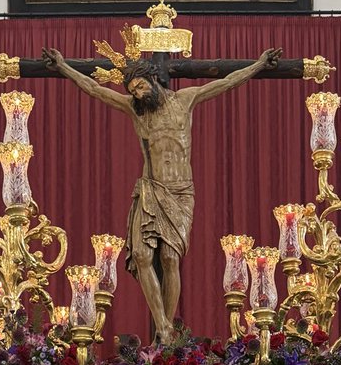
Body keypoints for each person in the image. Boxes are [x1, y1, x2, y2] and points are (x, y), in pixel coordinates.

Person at [42, 45, 281, 342]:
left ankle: (166, 331)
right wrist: (63, 66)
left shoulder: (185, 99)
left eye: (141, 86)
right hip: (152, 187)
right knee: (142, 255)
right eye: (133, 89)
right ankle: (164, 329)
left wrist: (258, 64)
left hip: (181, 192)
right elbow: (94, 89)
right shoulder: (135, 108)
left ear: (153, 79)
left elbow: (226, 82)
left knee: (169, 258)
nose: (138, 93)